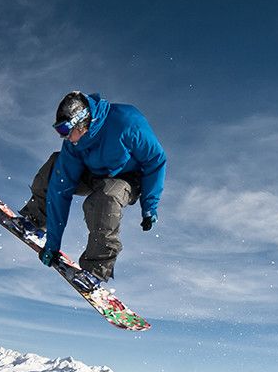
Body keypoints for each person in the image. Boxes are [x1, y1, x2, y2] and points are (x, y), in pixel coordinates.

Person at [19, 91, 167, 281]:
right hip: (94, 173)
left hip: (127, 178)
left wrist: (149, 206)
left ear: (82, 122)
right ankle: (36, 217)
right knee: (55, 166)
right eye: (59, 131)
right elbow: (59, 190)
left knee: (105, 197)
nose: (65, 138)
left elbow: (155, 161)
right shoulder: (73, 146)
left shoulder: (127, 122)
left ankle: (96, 268)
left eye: (65, 130)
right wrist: (52, 244)